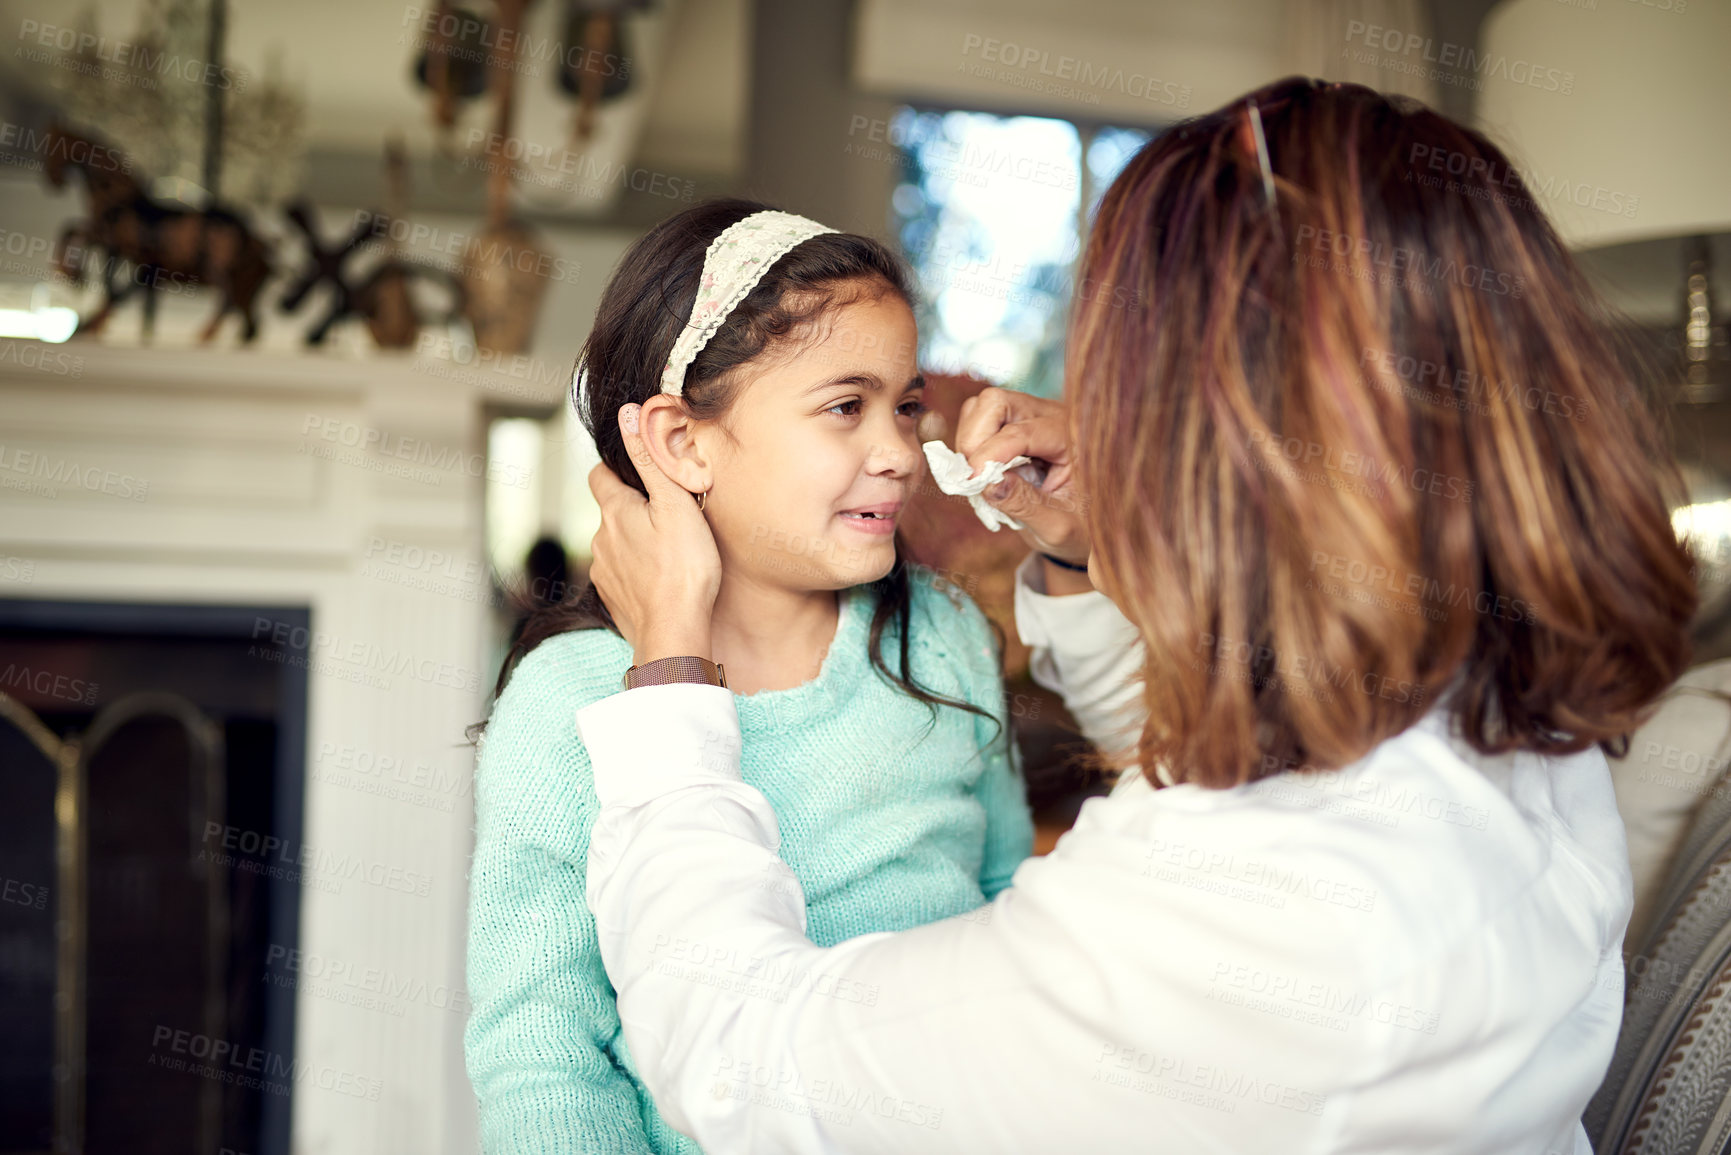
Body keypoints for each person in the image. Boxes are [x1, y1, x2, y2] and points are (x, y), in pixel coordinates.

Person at [573, 78, 1698, 1153]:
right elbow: (1211, 764)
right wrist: (1091, 547)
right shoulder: (1496, 719)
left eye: (1126, 390)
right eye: (845, 406)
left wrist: (672, 678)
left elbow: (741, 1058)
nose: (896, 447)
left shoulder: (1265, 934)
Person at [463, 199, 1035, 1154]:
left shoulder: (937, 639)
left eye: (903, 405)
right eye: (844, 406)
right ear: (684, 444)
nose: (899, 452)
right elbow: (542, 1053)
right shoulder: (570, 699)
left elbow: (1008, 906)